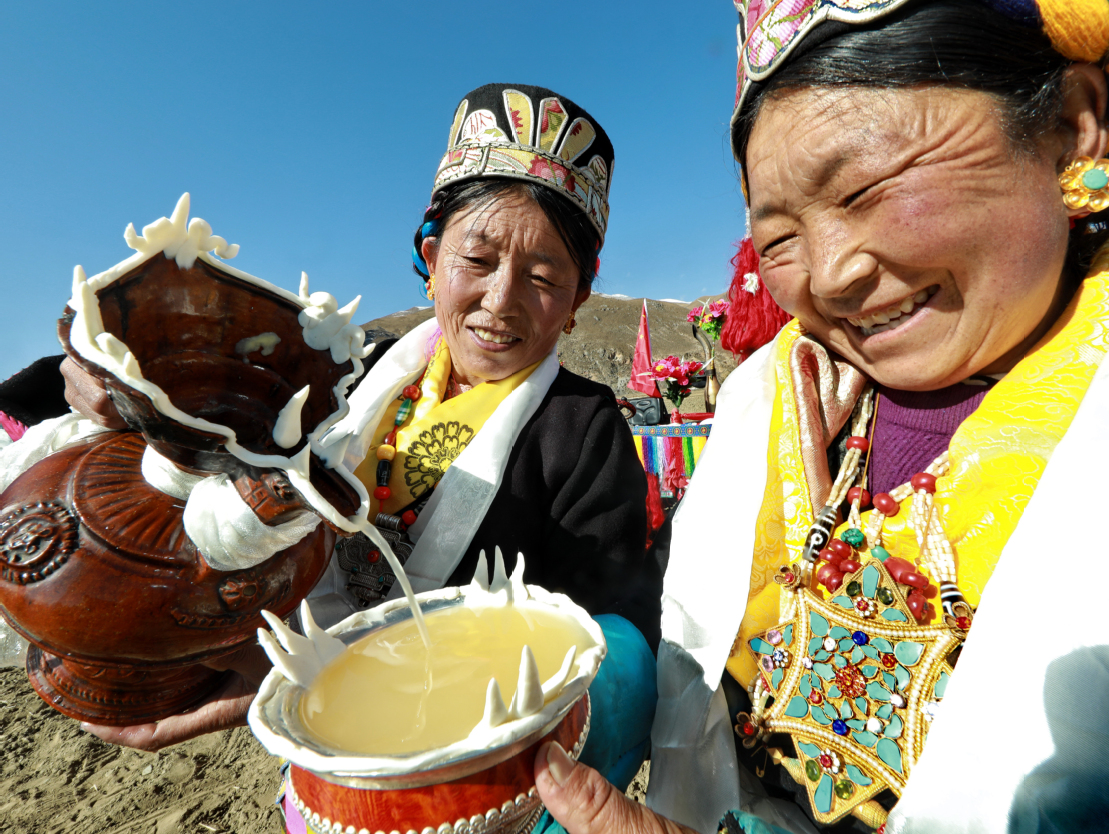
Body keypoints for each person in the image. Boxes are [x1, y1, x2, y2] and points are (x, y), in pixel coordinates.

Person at [532, 0, 1109, 833]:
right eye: (779, 235)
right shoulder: (766, 403)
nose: (833, 271)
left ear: (1071, 129)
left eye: (869, 186)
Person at [1, 84, 661, 800]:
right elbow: (203, 396)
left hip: (480, 757)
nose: (501, 301)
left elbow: (609, 636)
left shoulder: (585, 428)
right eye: (477, 261)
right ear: (433, 260)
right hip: (316, 726)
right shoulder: (358, 370)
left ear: (576, 304)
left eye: (542, 278)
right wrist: (101, 375)